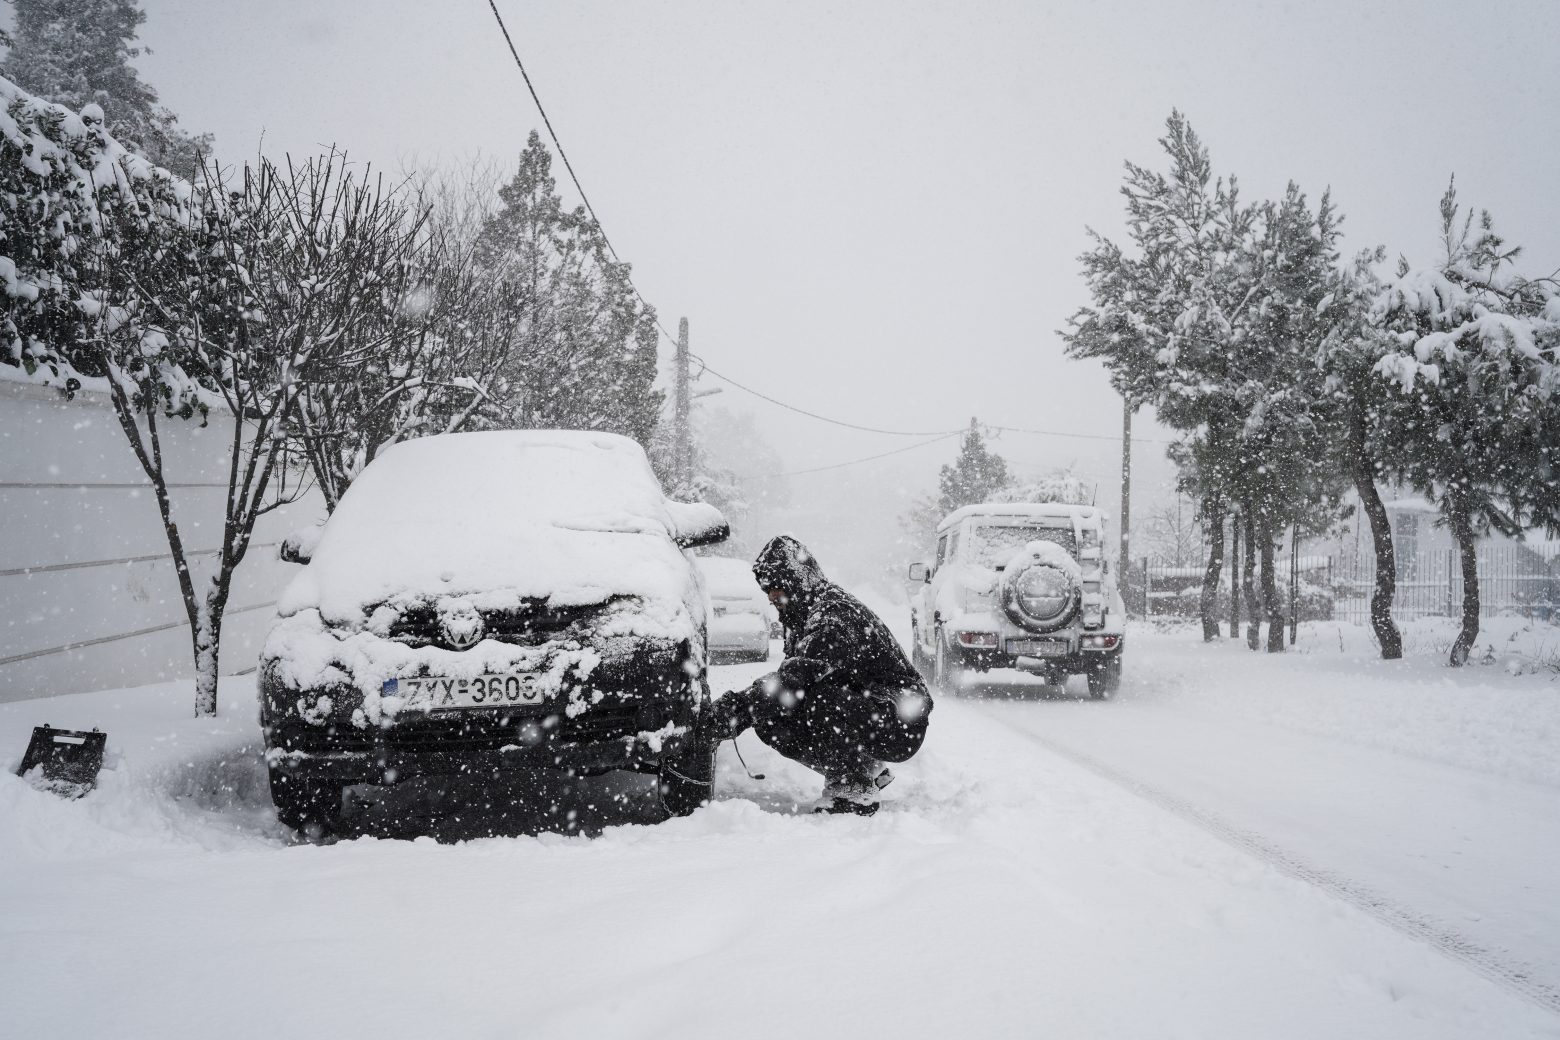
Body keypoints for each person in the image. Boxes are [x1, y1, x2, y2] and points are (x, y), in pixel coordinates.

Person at [700, 535, 933, 815]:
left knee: (822, 698)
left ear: (798, 581)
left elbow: (792, 682)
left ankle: (853, 788)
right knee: (772, 717)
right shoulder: (802, 615)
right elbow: (786, 683)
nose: (772, 595)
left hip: (900, 719)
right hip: (870, 707)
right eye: (767, 590)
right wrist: (745, 710)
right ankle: (865, 768)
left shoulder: (833, 616)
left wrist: (733, 711)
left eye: (777, 586)